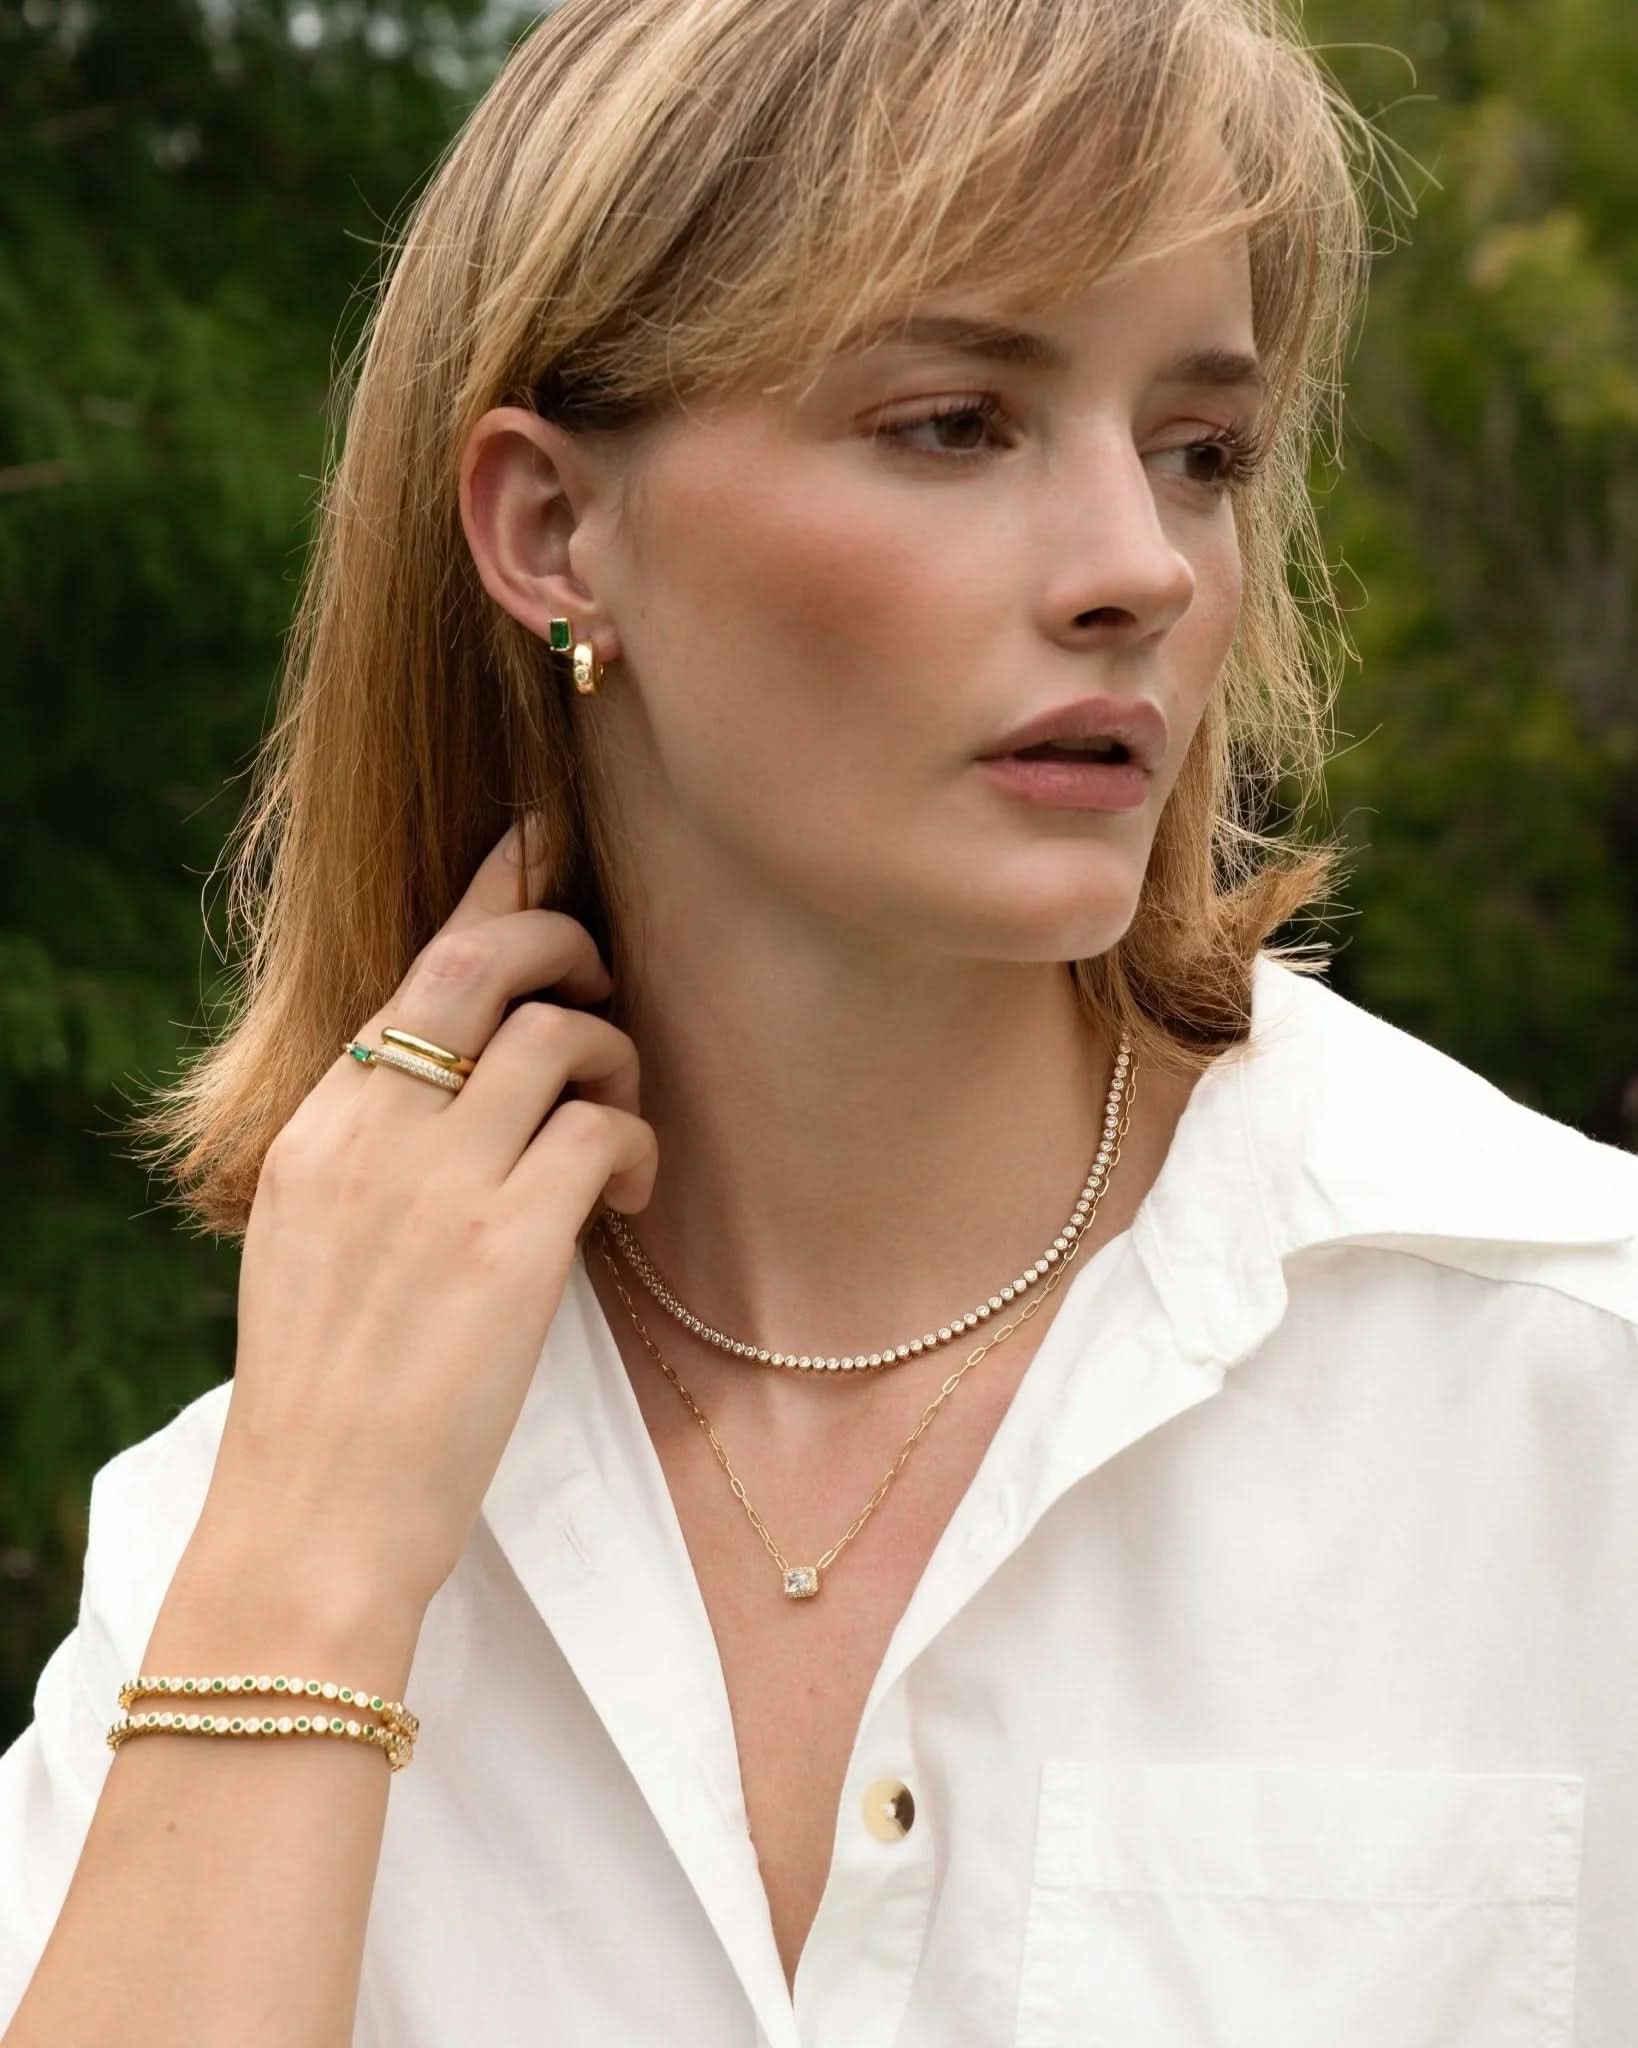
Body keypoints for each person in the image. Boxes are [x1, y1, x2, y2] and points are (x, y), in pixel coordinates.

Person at [3, 0, 1635, 2040]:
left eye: (1198, 451)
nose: (1138, 567)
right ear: (551, 530)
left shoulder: (1567, 1381)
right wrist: (313, 1563)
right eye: (955, 422)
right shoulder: (241, 1514)